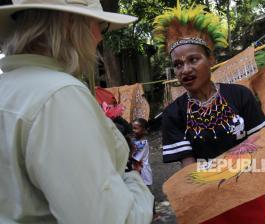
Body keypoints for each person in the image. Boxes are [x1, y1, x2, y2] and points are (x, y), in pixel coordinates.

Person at [0, 0, 153, 223]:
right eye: (100, 25)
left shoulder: (9, 89)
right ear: (72, 24)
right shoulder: (59, 95)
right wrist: (137, 186)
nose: (100, 37)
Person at [153, 3, 265, 224]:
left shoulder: (240, 96)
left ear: (212, 59)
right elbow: (189, 167)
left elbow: (260, 141)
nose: (185, 70)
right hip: (206, 199)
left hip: (248, 193)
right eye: (178, 65)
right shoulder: (173, 113)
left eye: (193, 60)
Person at [131, 118, 153, 188]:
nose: (133, 130)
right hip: (137, 170)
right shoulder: (135, 141)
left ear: (144, 130)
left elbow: (135, 157)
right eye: (132, 128)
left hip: (143, 172)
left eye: (135, 128)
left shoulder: (142, 143)